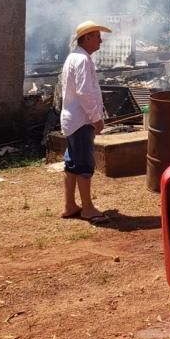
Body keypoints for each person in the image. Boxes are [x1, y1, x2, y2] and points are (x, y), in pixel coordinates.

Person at [60, 20, 111, 222]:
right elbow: (84, 92)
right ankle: (87, 208)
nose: (101, 40)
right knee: (84, 165)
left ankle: (70, 205)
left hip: (72, 120)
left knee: (71, 163)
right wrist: (96, 118)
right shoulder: (82, 60)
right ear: (87, 37)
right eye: (97, 36)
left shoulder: (74, 58)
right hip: (81, 121)